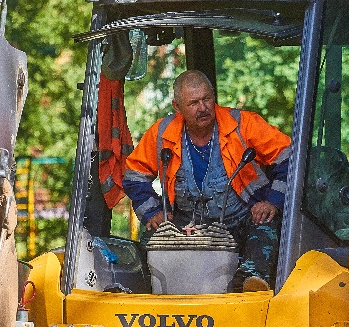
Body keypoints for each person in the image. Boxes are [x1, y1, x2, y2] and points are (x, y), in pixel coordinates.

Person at [123, 70, 291, 291]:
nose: (202, 108)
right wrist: (153, 212)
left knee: (266, 226)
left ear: (214, 97)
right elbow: (134, 175)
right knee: (152, 238)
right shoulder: (161, 133)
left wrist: (272, 201)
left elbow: (290, 157)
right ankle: (143, 292)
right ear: (177, 107)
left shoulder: (244, 124)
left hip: (243, 219)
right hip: (186, 223)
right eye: (193, 103)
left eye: (207, 99)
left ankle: (251, 282)